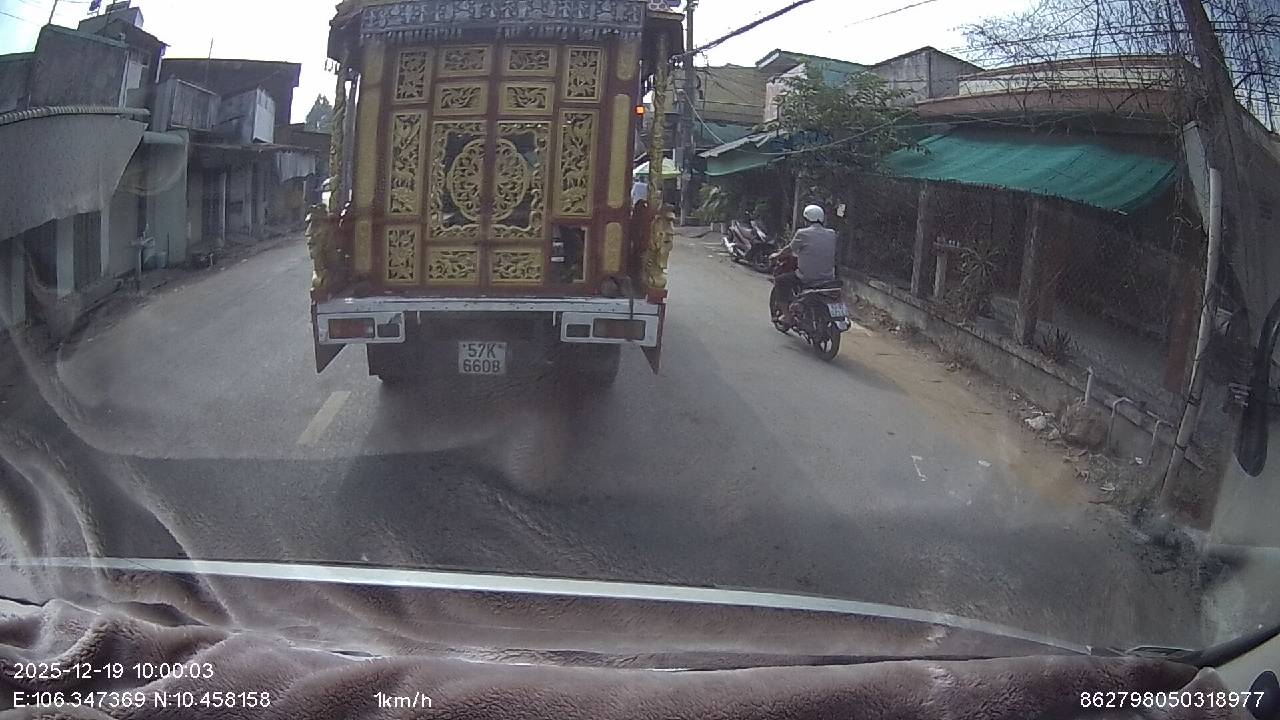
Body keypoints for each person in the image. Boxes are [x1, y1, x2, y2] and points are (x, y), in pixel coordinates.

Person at [772, 204, 838, 323]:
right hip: (828, 278)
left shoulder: (802, 233)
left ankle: (787, 316)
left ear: (806, 219)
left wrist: (776, 255)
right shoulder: (832, 233)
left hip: (807, 278)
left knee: (780, 281)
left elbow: (789, 249)